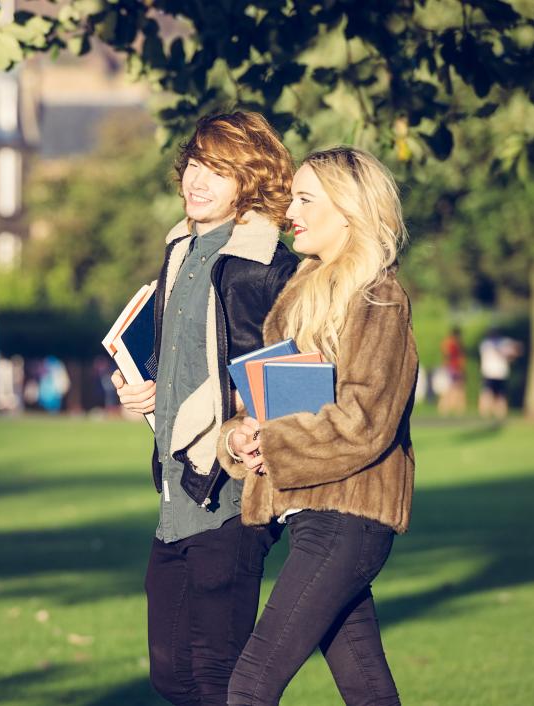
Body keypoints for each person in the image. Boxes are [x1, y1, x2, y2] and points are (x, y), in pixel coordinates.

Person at [111, 111, 299, 705]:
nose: (197, 179)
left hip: (231, 496)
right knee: (172, 676)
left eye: (219, 170)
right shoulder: (180, 252)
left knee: (217, 678)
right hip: (174, 492)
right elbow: (185, 365)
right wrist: (145, 390)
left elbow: (297, 387)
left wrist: (250, 433)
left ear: (251, 180)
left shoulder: (268, 265)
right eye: (196, 163)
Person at [220, 147, 418, 705]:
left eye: (306, 198)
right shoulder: (302, 294)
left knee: (251, 685)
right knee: (368, 691)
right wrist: (240, 435)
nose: (290, 211)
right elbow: (276, 402)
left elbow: (364, 421)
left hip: (348, 521)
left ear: (350, 211)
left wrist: (274, 442)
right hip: (312, 518)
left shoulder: (378, 298)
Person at [478, 328, 522, 419]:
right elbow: (516, 350)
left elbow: (516, 350)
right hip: (495, 372)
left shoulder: (487, 344)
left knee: (494, 394)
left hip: (495, 372)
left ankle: (493, 413)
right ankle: (490, 413)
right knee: (493, 394)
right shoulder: (492, 344)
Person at [438, 326, 466, 415]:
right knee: (453, 388)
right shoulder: (453, 343)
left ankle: (451, 409)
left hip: (453, 368)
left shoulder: (449, 342)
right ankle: (446, 409)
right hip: (453, 368)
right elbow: (448, 354)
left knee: (454, 388)